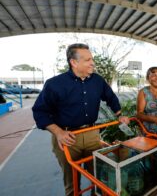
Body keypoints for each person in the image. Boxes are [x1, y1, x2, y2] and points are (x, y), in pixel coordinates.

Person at [32, 43, 129, 196]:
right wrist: (58, 132)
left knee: (98, 176)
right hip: (66, 138)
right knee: (72, 182)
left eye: (92, 59)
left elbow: (110, 97)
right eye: (88, 60)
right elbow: (40, 112)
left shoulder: (97, 81)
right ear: (74, 62)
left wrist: (119, 114)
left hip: (92, 134)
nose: (93, 63)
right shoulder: (54, 84)